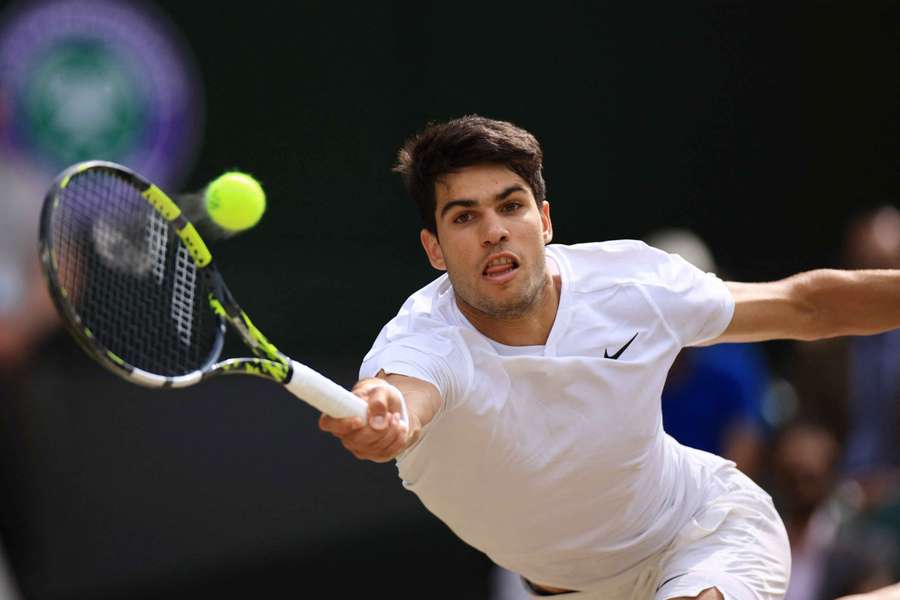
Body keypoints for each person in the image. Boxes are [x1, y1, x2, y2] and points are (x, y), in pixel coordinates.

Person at [318, 115, 900, 600]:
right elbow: (401, 394)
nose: (494, 231)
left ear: (543, 221)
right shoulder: (422, 341)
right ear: (434, 250)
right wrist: (385, 408)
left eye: (511, 206)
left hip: (700, 530)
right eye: (464, 216)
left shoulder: (631, 286)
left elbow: (806, 306)